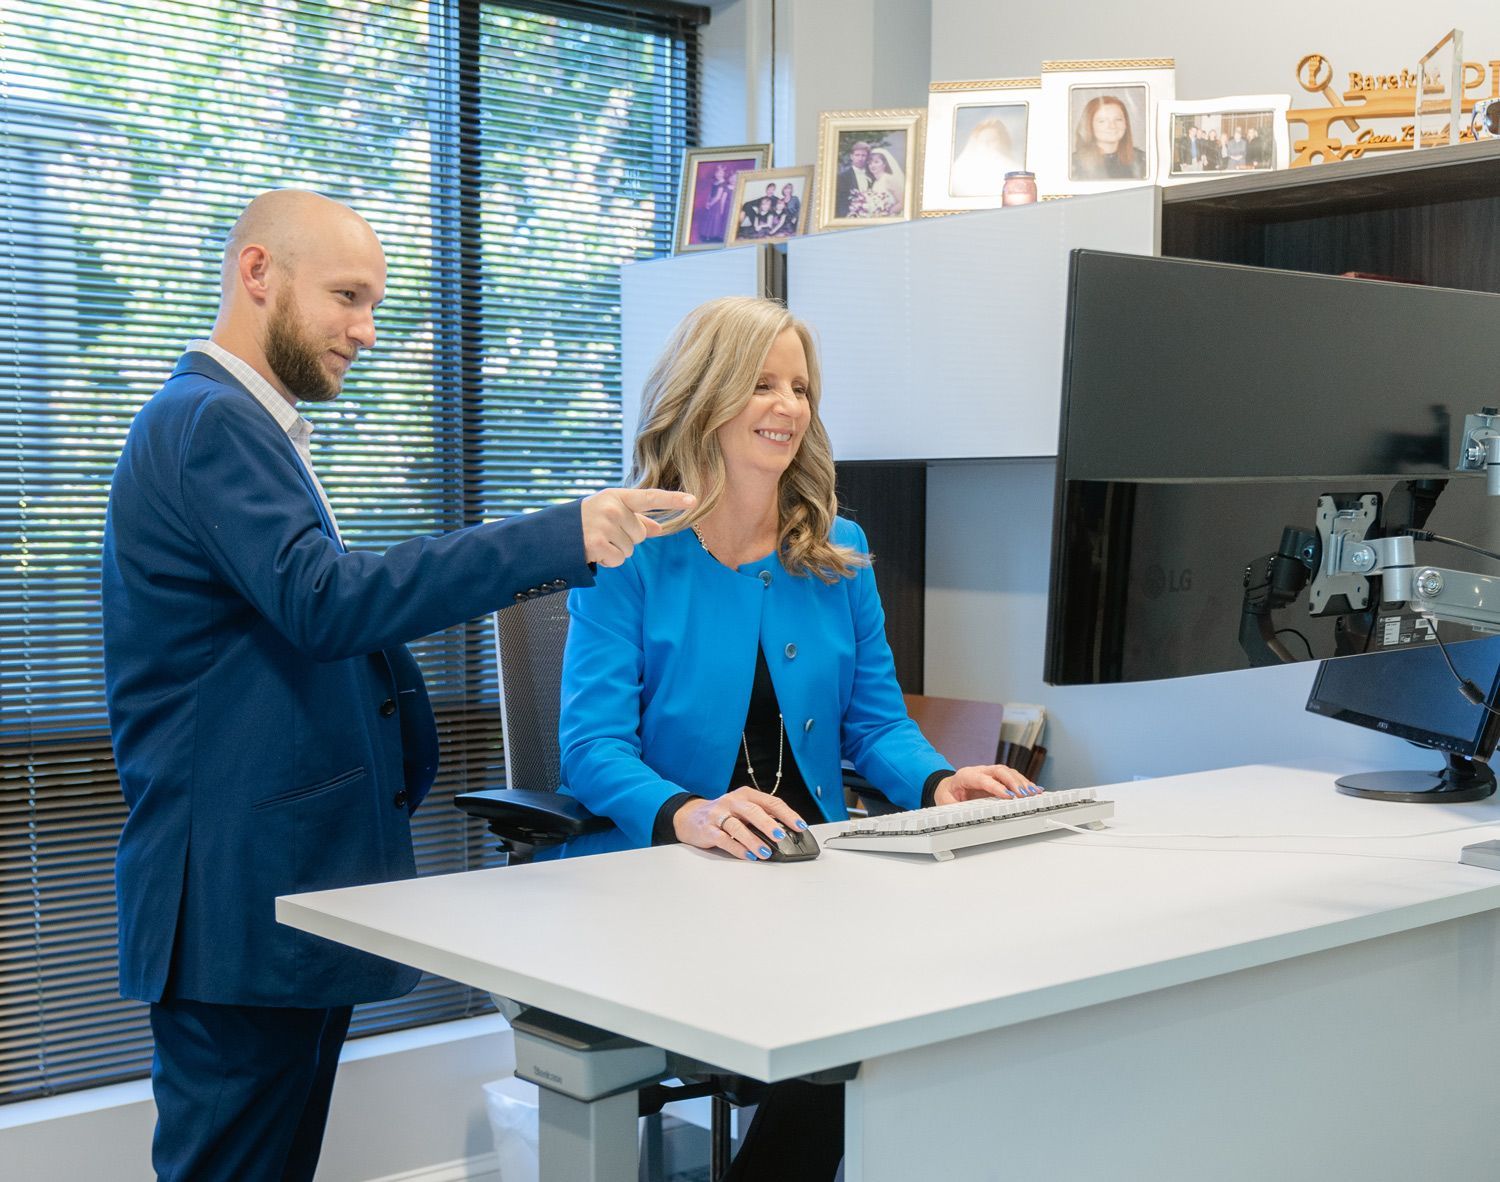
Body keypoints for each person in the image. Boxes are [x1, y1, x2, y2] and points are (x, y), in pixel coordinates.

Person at [99, 188, 692, 1182]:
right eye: (347, 297)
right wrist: (558, 533)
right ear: (257, 274)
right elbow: (324, 601)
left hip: (274, 898)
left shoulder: (238, 426)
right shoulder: (208, 424)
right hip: (238, 907)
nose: (365, 332)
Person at [556, 296, 1039, 1180]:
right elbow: (591, 749)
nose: (787, 406)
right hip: (678, 874)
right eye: (761, 384)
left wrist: (939, 783)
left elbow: (877, 722)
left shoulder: (836, 550)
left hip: (815, 866)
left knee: (963, 988)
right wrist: (688, 812)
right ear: (705, 397)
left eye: (800, 387)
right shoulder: (628, 552)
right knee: (843, 1034)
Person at [1071, 94, 1147, 180]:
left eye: (1118, 119)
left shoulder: (1142, 160)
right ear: (1089, 125)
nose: (1112, 126)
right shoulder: (1073, 164)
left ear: (1126, 124)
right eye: (1102, 121)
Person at [948, 116, 1020, 197]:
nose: (986, 145)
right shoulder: (962, 172)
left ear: (1002, 141)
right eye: (982, 141)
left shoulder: (1016, 170)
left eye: (991, 140)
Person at [697, 162, 734, 244]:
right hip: (711, 203)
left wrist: (711, 203)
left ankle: (713, 236)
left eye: (721, 173)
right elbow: (710, 193)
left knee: (714, 220)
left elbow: (718, 197)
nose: (718, 174)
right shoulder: (715, 183)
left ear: (724, 174)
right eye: (717, 172)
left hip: (716, 205)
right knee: (708, 219)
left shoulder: (723, 184)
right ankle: (706, 234)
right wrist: (707, 202)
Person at [834, 140, 873, 217]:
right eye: (857, 155)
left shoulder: (872, 175)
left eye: (863, 155)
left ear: (867, 157)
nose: (860, 158)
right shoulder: (843, 177)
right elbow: (841, 201)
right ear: (851, 156)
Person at [864, 146, 906, 216]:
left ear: (884, 164)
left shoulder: (889, 179)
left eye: (876, 162)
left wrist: (887, 213)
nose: (872, 165)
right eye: (870, 163)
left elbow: (903, 202)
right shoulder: (875, 182)